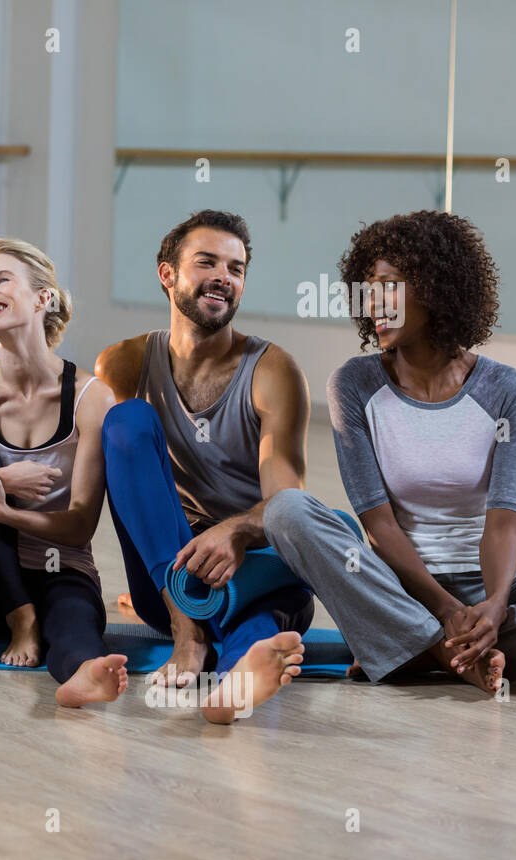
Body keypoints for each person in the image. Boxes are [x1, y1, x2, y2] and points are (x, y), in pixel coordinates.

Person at [264, 210, 516, 693]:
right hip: (392, 593)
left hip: (480, 598)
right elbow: (378, 526)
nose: (374, 303)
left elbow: (503, 524)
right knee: (286, 511)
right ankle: (445, 652)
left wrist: (494, 606)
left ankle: (418, 650)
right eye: (368, 289)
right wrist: (445, 610)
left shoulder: (508, 390)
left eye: (389, 287)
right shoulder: (353, 384)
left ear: (437, 289)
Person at [94, 210, 310, 723]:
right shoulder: (123, 363)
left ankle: (238, 679)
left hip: (252, 569)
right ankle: (188, 633)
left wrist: (234, 532)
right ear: (167, 274)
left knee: (261, 609)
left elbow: (286, 505)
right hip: (171, 574)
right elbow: (126, 473)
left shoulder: (272, 370)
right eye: (207, 262)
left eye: (236, 268)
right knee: (124, 420)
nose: (223, 277)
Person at [0, 238, 126, 706]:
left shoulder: (91, 398)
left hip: (60, 570)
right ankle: (21, 618)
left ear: (44, 298)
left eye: (1, 280)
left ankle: (85, 675)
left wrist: (2, 510)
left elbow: (79, 524)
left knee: (75, 627)